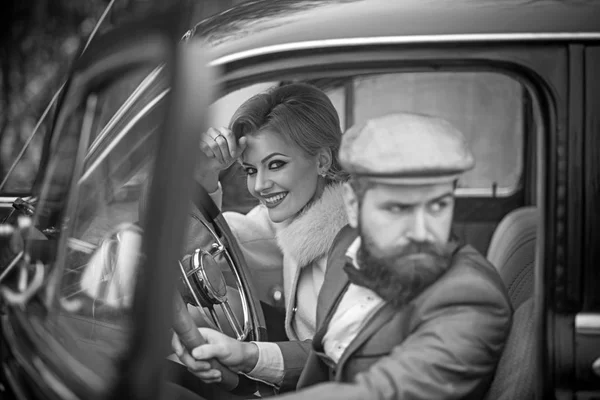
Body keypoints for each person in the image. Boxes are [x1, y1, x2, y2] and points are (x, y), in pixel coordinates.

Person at [173, 112, 513, 399]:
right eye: (397, 208)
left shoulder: (471, 298)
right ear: (352, 202)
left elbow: (379, 393)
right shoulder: (349, 248)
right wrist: (248, 356)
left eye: (439, 206)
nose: (422, 231)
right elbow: (329, 354)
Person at [177, 82, 350, 387]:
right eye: (250, 171)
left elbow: (340, 356)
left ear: (322, 160)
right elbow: (208, 256)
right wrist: (206, 174)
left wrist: (249, 355)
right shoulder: (288, 217)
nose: (259, 186)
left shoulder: (354, 240)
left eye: (276, 165)